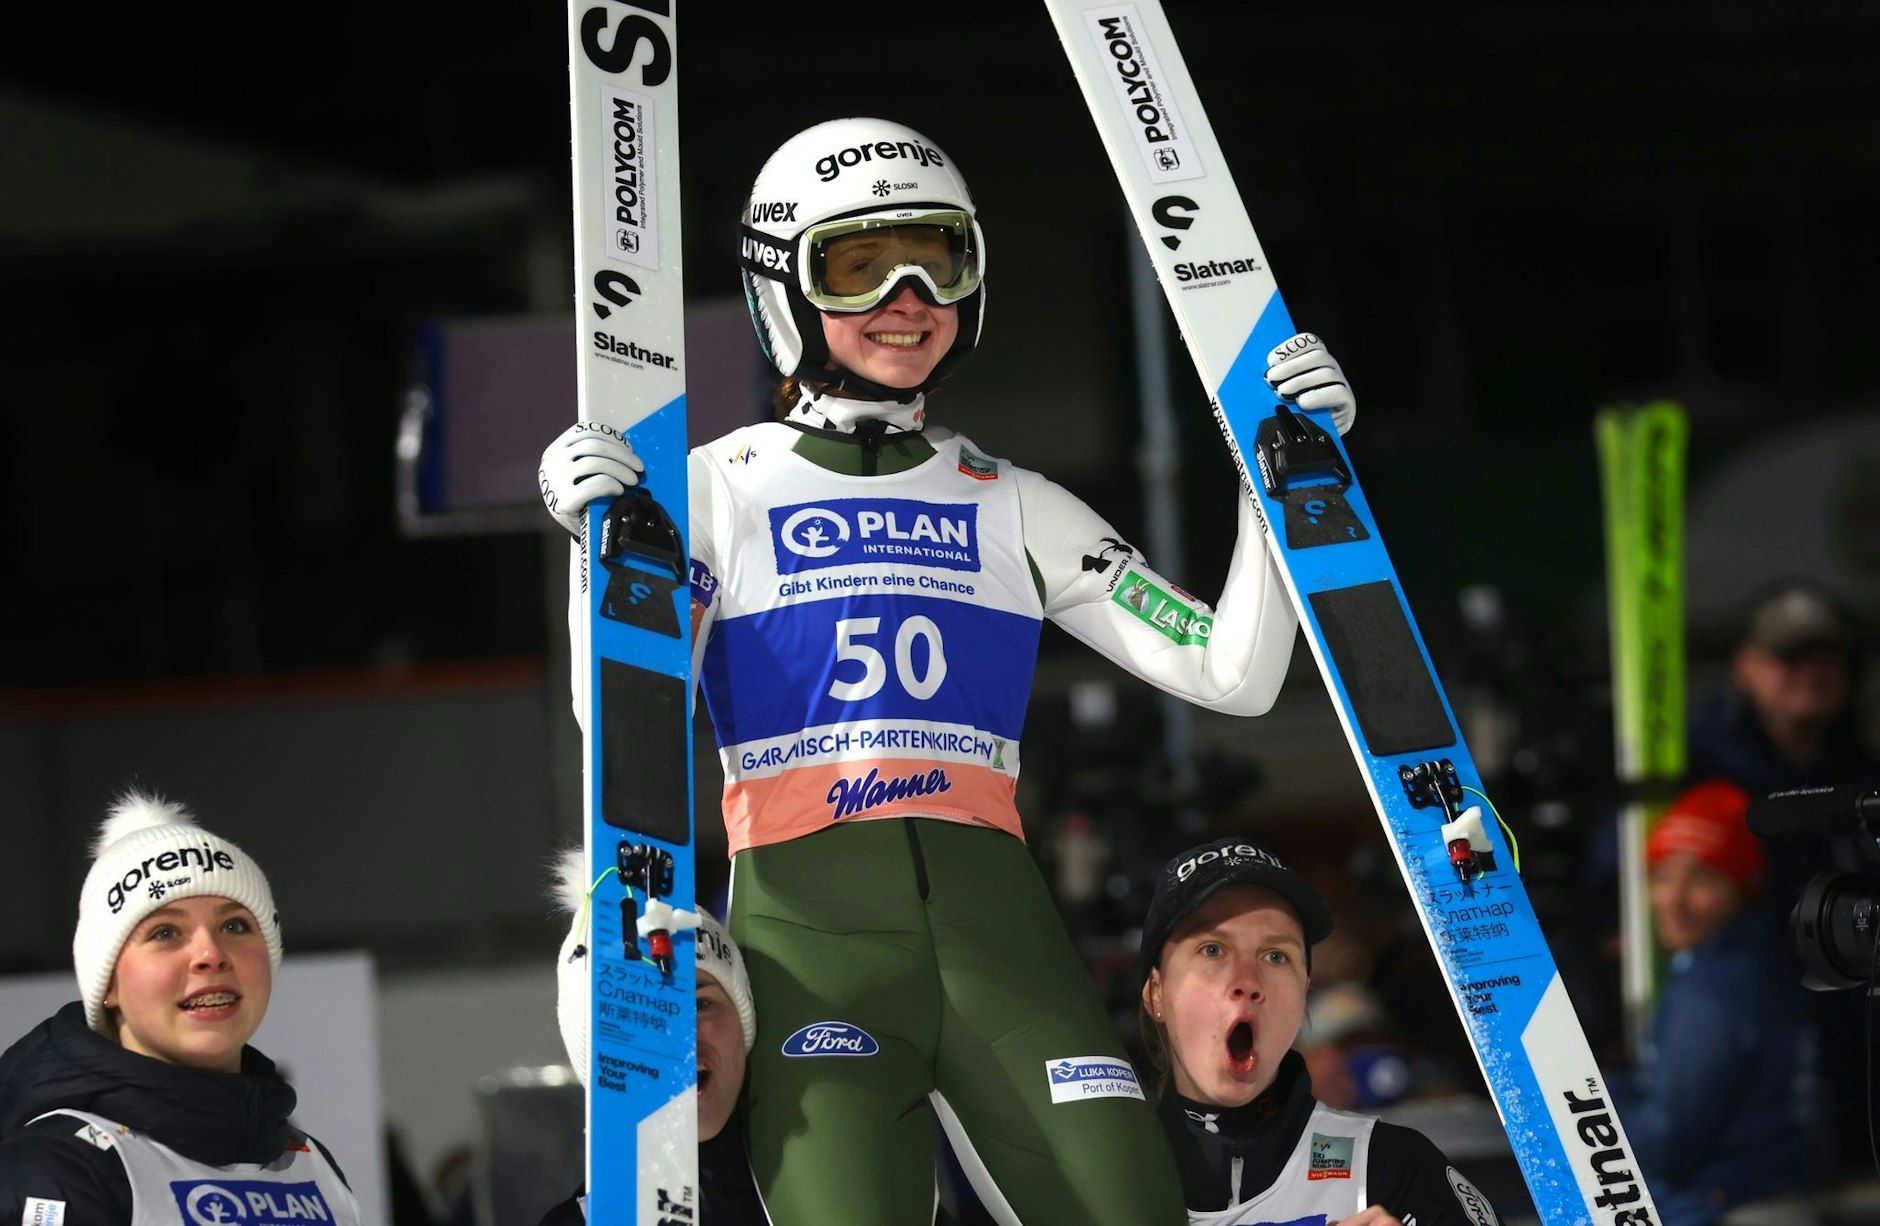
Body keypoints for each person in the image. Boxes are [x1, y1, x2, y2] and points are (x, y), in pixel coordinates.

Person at [538, 115, 1358, 1226]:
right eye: (860, 262)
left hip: (999, 944)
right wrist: (601, 557)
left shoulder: (1009, 499)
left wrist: (1283, 482)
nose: (910, 293)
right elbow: (620, 721)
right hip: (811, 956)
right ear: (783, 288)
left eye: (939, 257)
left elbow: (1233, 673)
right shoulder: (713, 488)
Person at [0, 790, 362, 1224]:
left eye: (234, 925)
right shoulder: (60, 1171)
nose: (210, 953)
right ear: (107, 984)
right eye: (166, 933)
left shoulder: (311, 1165)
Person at [1137, 837, 1498, 1226]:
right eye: (1212, 949)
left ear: (1302, 995)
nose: (1247, 980)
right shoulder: (1099, 1175)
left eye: (1276, 956)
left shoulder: (1389, 1167)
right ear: (1156, 992)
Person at [1608, 780, 1815, 1226]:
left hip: (1728, 1208)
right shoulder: (1760, 968)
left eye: (1703, 877)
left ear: (1745, 888)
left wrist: (1587, 1101)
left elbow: (1666, 1140)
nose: (1674, 900)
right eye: (1661, 876)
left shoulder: (1713, 989)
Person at [539, 850, 764, 1225]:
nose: (681, 1042)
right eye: (644, 1014)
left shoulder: (821, 1182)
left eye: (699, 1005)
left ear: (743, 1022)